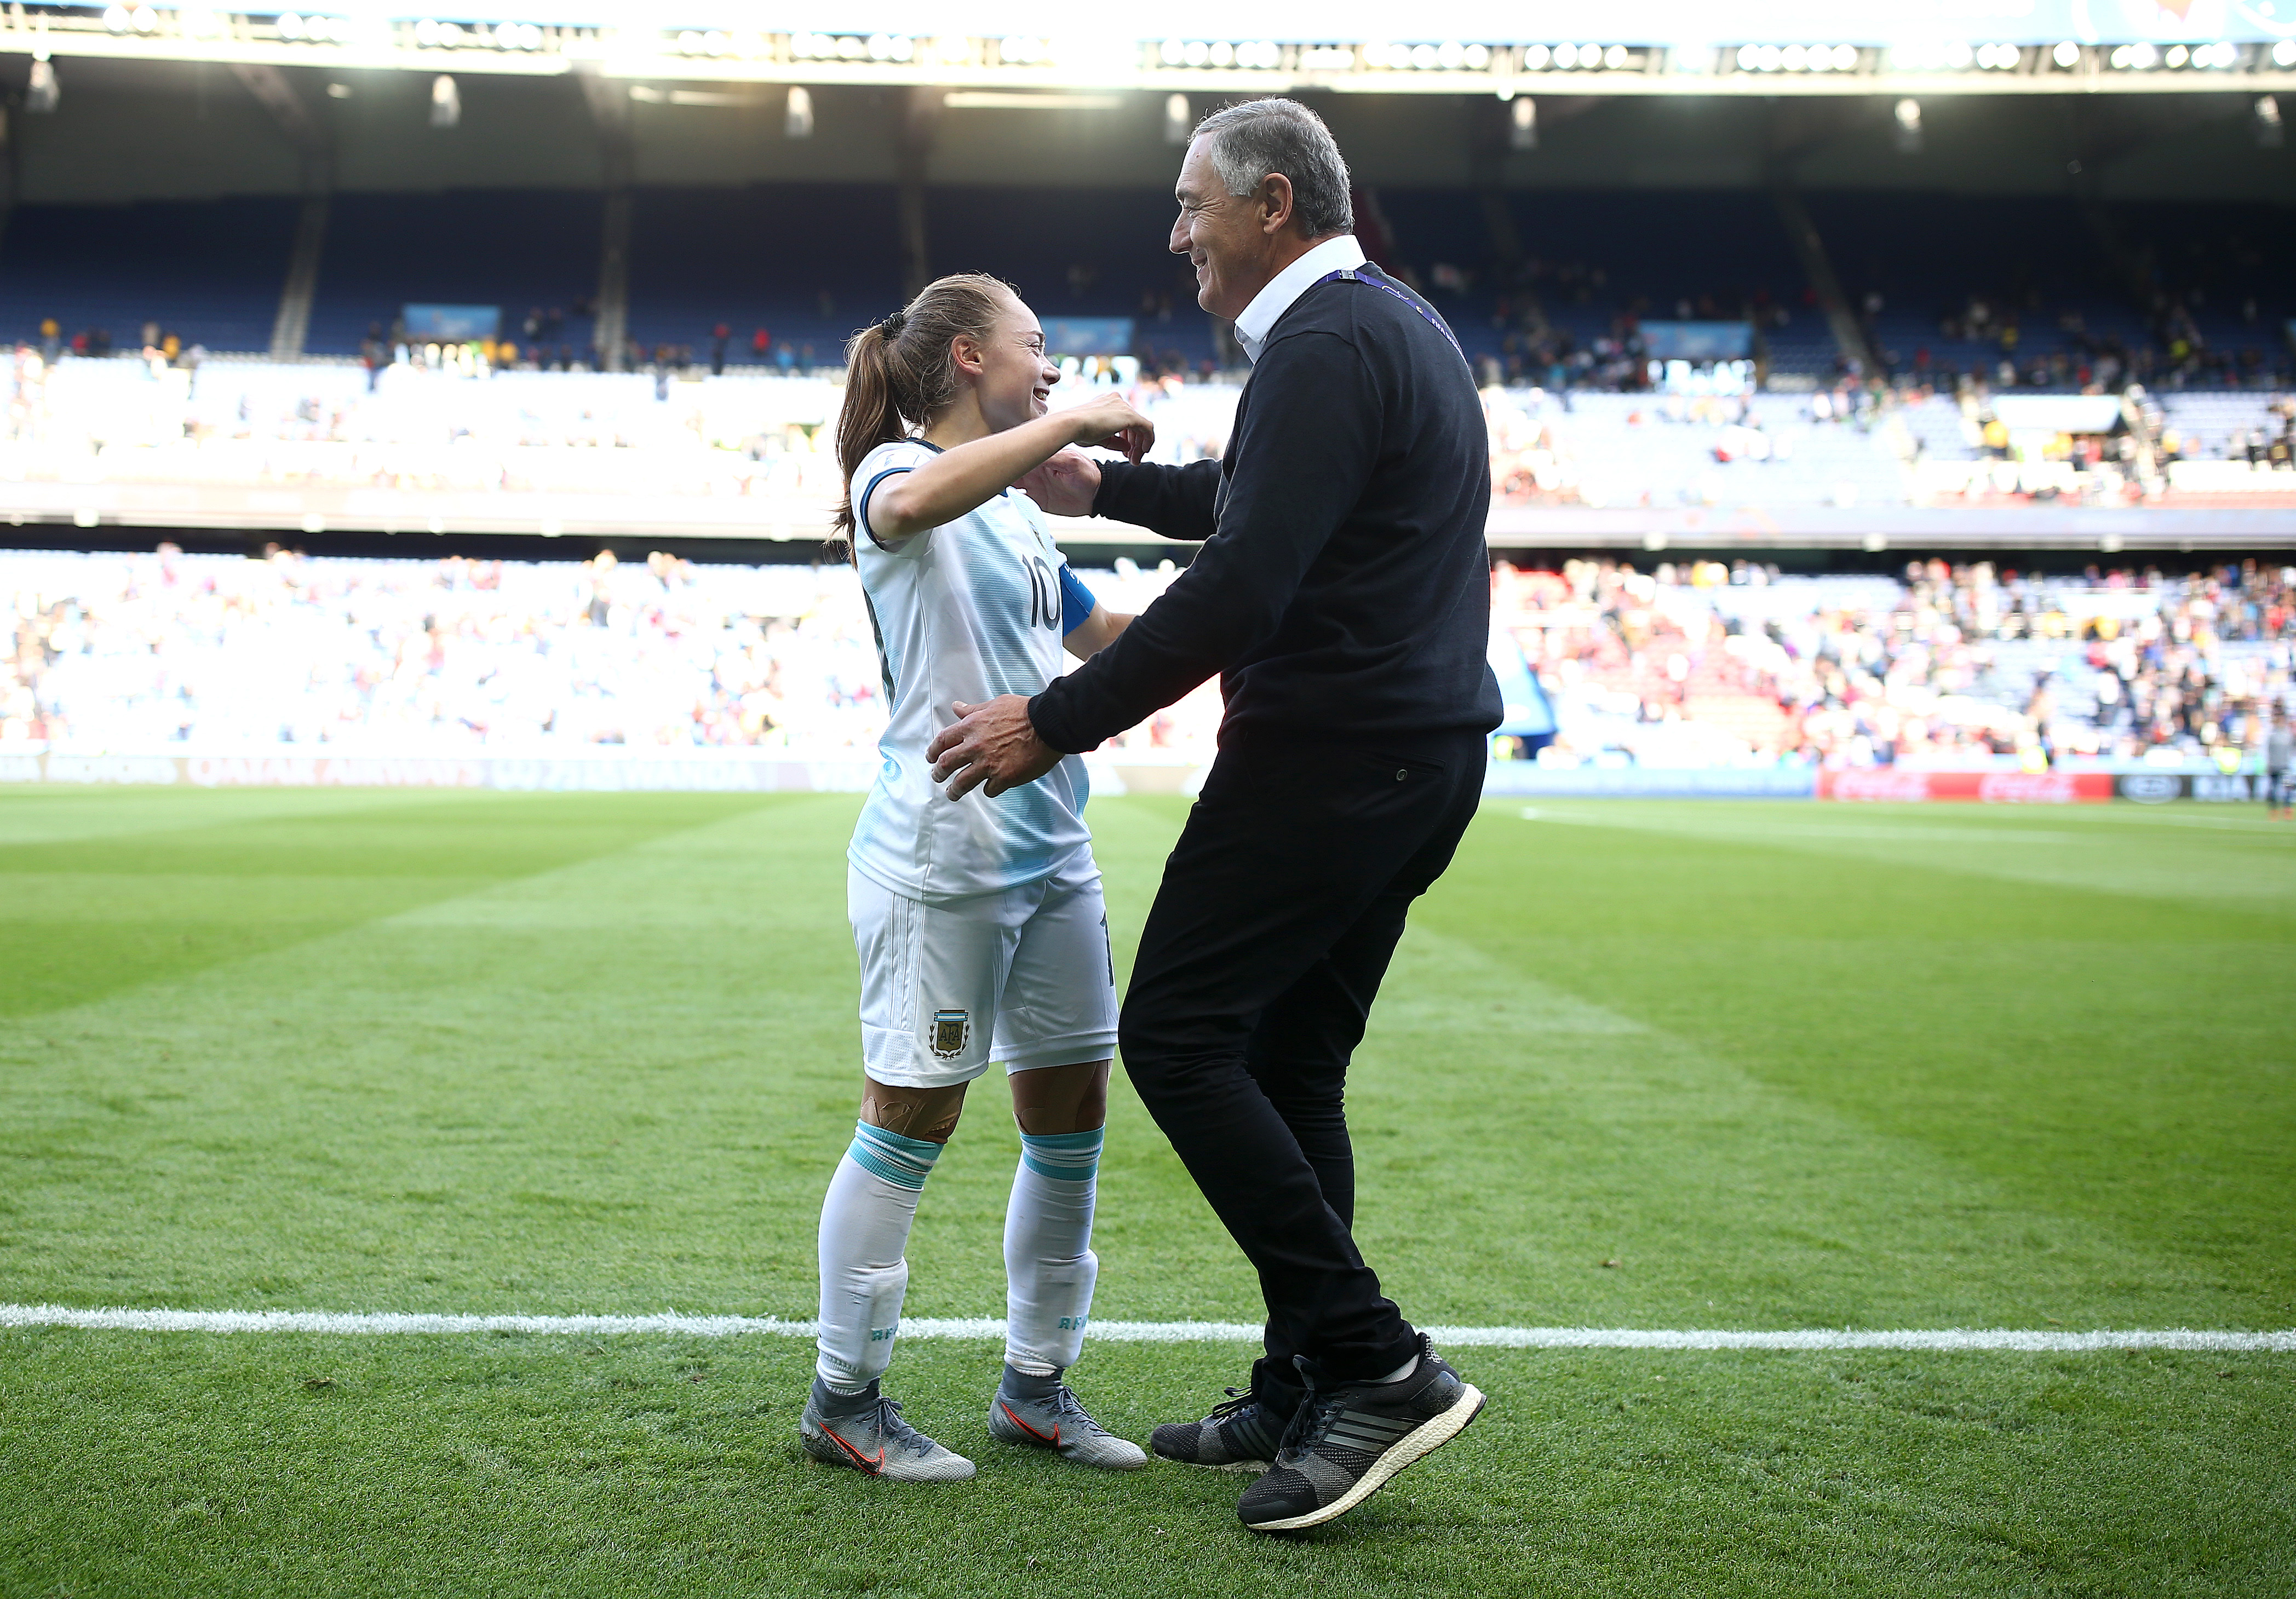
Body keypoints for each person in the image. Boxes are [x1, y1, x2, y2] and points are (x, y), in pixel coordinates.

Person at [927, 98, 1501, 1532]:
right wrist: (1105, 483)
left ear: (1273, 206)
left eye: (1192, 206)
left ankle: (1373, 1363)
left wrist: (1049, 721)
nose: (1176, 232)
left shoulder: (1325, 342)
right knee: (1293, 1068)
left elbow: (1244, 585)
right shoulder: (1374, 325)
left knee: (1180, 1038)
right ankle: (1309, 1381)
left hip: (1330, 758)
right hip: (1410, 759)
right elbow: (1252, 501)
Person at [801, 272, 1158, 1484]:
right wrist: (1057, 431)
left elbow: (1100, 638)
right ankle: (844, 1398)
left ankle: (1035, 1387)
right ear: (965, 358)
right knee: (913, 1114)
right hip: (937, 858)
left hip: (1053, 850)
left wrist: (1260, 612)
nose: (1051, 368)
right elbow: (905, 507)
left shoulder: (1016, 516)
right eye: (1034, 347)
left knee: (1070, 1119)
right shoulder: (891, 473)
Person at [2267, 704, 2292, 820]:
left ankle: (2288, 811)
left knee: (2287, 789)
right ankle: (2274, 811)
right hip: (2274, 766)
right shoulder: (2272, 735)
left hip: (2285, 766)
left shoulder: (2289, 735)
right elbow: (2269, 751)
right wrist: (2269, 764)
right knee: (2274, 790)